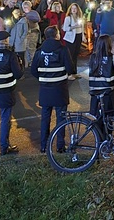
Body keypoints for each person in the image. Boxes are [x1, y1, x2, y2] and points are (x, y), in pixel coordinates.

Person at [31, 25, 75, 153]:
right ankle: (60, 146)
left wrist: (43, 77)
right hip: (59, 89)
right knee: (61, 118)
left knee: (45, 117)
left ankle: (44, 145)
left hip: (45, 89)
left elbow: (33, 70)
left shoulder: (39, 51)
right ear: (57, 35)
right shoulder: (62, 49)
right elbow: (70, 69)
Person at [87, 34, 114, 138]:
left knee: (97, 118)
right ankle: (108, 140)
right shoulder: (112, 58)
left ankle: (99, 140)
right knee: (109, 117)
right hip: (109, 92)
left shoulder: (93, 58)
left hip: (95, 93)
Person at [62, 4, 85, 78]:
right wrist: (74, 27)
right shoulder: (68, 18)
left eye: (75, 8)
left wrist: (83, 36)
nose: (74, 10)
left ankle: (74, 72)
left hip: (78, 36)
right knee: (70, 55)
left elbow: (82, 28)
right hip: (70, 38)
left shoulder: (80, 17)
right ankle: (69, 73)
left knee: (75, 55)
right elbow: (65, 28)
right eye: (72, 8)